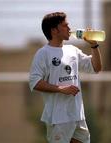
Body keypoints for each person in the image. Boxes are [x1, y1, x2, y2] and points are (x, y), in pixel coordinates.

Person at [29, 12, 102, 143]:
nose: (69, 28)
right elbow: (35, 82)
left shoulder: (72, 50)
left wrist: (94, 45)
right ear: (54, 30)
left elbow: (96, 67)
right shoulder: (43, 53)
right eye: (65, 25)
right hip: (59, 118)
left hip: (77, 115)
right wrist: (61, 88)